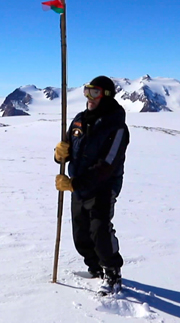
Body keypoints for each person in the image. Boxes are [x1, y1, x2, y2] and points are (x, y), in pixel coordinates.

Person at [54, 75, 130, 295]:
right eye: (86, 91)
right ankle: (96, 268)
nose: (89, 97)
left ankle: (112, 273)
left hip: (103, 187)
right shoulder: (79, 120)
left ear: (105, 95)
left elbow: (107, 165)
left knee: (99, 231)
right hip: (78, 186)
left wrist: (74, 183)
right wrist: (59, 155)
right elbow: (68, 149)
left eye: (94, 92)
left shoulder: (116, 127)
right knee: (81, 235)